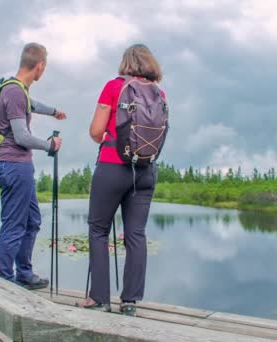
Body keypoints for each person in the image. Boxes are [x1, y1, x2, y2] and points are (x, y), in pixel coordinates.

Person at [77, 44, 165, 316]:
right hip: (146, 170)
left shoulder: (114, 87)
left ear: (125, 63)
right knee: (136, 234)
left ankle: (100, 299)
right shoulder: (159, 93)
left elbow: (95, 130)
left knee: (98, 230)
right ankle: (130, 302)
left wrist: (103, 138)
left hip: (113, 166)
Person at [0, 42, 66, 290]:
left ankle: (24, 273)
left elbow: (32, 105)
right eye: (43, 68)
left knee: (32, 220)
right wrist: (50, 145)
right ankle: (3, 282)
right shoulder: (14, 93)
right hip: (14, 165)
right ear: (40, 66)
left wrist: (55, 111)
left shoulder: (18, 91)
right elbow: (22, 137)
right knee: (14, 224)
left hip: (17, 165)